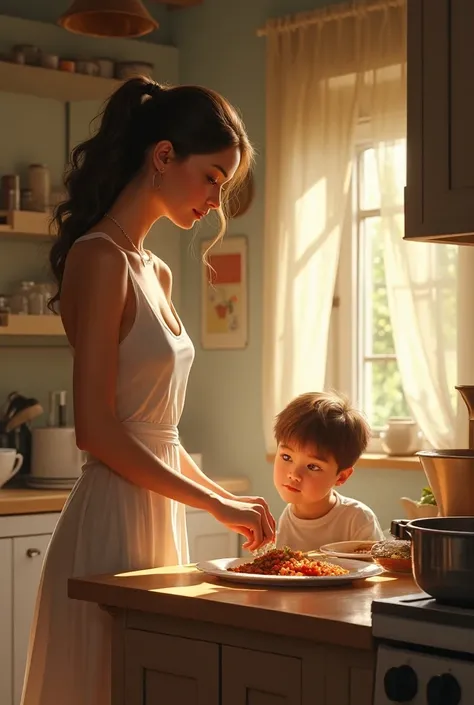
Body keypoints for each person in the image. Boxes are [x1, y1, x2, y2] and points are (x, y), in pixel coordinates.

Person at [21, 77, 275, 705]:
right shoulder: (98, 257)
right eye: (213, 177)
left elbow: (158, 433)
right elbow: (99, 432)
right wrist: (216, 506)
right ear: (164, 156)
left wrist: (226, 499)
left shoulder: (154, 269)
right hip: (110, 522)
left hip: (157, 514)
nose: (217, 200)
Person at [273, 392, 384, 552]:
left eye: (313, 466)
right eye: (286, 456)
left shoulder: (358, 519)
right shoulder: (286, 519)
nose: (294, 475)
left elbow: (374, 573)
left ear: (341, 476)